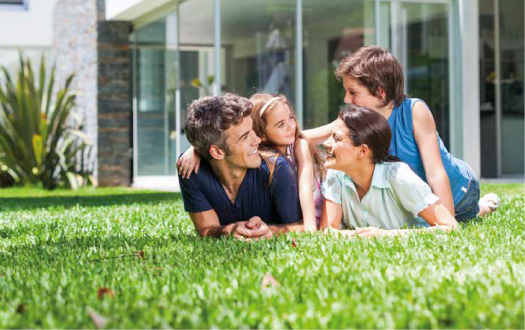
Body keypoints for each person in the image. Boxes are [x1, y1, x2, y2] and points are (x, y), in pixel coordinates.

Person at [328, 45, 499, 221]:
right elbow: (324, 132)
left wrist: (446, 222)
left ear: (380, 93)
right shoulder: (363, 119)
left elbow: (436, 173)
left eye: (353, 92)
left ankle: (485, 206)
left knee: (469, 215)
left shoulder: (414, 111)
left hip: (459, 193)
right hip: (420, 198)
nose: (346, 99)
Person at [178, 93, 325, 232]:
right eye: (245, 137)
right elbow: (206, 230)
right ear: (216, 152)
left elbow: (301, 227)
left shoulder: (279, 166)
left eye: (253, 131)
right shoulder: (190, 168)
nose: (257, 140)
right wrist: (229, 231)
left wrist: (271, 231)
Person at [321, 105, 458, 237]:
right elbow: (327, 231)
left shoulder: (399, 177)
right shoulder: (336, 173)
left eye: (336, 138)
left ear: (362, 151)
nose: (325, 143)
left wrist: (386, 235)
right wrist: (353, 235)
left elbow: (451, 227)